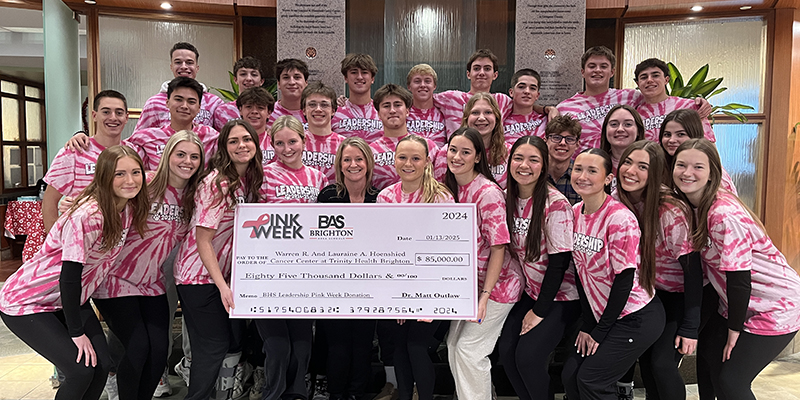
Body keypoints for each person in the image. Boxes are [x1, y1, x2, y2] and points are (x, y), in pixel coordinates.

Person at [0, 145, 149, 400]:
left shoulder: (128, 208)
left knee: (101, 366)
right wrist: (76, 332)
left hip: (68, 299)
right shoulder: (89, 214)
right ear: (104, 176)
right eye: (119, 174)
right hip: (28, 302)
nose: (130, 180)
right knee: (80, 371)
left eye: (136, 172)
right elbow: (69, 277)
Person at [672, 138, 800, 400]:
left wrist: (734, 330)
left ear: (712, 174)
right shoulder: (692, 207)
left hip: (775, 306)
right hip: (736, 303)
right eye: (681, 165)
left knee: (732, 381)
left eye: (698, 167)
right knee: (709, 360)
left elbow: (739, 279)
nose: (687, 173)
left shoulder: (723, 214)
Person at [91, 131, 204, 400]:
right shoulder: (145, 182)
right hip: (115, 279)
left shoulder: (194, 194)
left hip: (152, 283)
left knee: (158, 354)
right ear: (167, 155)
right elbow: (103, 194)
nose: (187, 161)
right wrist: (71, 202)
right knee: (137, 348)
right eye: (181, 154)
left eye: (194, 156)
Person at [561, 148, 665, 400]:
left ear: (608, 179)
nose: (583, 176)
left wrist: (599, 331)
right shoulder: (574, 213)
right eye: (578, 169)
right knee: (571, 376)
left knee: (592, 380)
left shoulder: (620, 218)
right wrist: (588, 324)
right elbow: (582, 274)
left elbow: (624, 281)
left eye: (592, 171)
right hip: (601, 314)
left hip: (634, 317)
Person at [173, 119, 265, 400]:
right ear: (224, 148)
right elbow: (203, 240)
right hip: (197, 276)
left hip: (222, 275)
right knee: (213, 345)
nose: (241, 146)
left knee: (223, 345)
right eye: (233, 141)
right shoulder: (217, 182)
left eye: (246, 140)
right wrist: (223, 286)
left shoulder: (249, 179)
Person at [616, 140, 702, 400]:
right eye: (628, 162)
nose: (631, 171)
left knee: (662, 364)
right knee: (647, 361)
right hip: (649, 294)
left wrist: (690, 327)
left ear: (654, 173)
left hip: (680, 294)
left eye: (643, 166)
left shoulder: (669, 210)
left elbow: (693, 271)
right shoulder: (617, 197)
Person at [498, 136, 580, 400]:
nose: (524, 165)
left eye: (533, 160)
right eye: (519, 158)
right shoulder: (505, 197)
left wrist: (538, 311)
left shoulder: (555, 204)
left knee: (528, 358)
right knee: (507, 352)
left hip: (561, 297)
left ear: (544, 166)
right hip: (531, 291)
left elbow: (559, 264)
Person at [443, 127, 520, 400]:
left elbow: (499, 246)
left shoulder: (487, 193)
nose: (457, 157)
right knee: (453, 345)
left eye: (465, 152)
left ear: (478, 157)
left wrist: (485, 297)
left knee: (470, 350)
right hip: (467, 286)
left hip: (498, 287)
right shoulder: (447, 187)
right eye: (453, 150)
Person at [376, 135, 454, 400]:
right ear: (394, 160)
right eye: (402, 157)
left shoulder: (441, 196)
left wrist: (427, 299)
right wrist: (399, 297)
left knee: (416, 345)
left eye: (415, 158)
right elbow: (385, 248)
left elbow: (446, 250)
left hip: (433, 288)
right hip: (398, 286)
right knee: (399, 346)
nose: (408, 163)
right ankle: (405, 394)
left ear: (427, 162)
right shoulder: (386, 197)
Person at [256, 115, 326, 400]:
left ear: (304, 141)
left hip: (304, 271)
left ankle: (297, 393)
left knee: (301, 343)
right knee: (277, 345)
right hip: (270, 270)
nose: (287, 149)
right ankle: (273, 393)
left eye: (292, 141)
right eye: (280, 143)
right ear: (271, 145)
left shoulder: (317, 177)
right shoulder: (263, 174)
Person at [316, 137, 380, 400]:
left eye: (358, 159)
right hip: (335, 285)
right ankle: (337, 394)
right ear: (339, 165)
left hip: (369, 285)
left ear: (368, 163)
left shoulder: (380, 198)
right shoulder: (329, 195)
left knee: (363, 345)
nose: (353, 164)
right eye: (347, 160)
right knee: (338, 346)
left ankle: (356, 393)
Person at [43, 90, 129, 234]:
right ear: (94, 115)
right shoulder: (74, 152)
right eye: (106, 112)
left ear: (126, 118)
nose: (113, 118)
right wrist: (55, 244)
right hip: (81, 241)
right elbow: (49, 202)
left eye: (119, 113)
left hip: (123, 243)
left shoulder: (133, 152)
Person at [135, 42, 223, 130]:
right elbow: (138, 138)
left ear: (197, 67)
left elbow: (225, 138)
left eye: (189, 62)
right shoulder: (154, 103)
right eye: (178, 62)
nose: (184, 66)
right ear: (171, 66)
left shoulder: (214, 103)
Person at [369, 84, 438, 190]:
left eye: (397, 105)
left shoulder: (429, 146)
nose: (392, 110)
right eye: (386, 106)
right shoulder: (370, 151)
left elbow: (439, 183)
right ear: (378, 114)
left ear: (407, 111)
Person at [434, 93, 510, 188]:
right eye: (475, 113)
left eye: (488, 112)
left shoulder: (509, 153)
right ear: (466, 117)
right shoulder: (448, 152)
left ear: (497, 118)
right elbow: (438, 190)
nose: (481, 118)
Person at [433, 49, 516, 134]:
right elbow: (421, 98)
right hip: (457, 146)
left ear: (495, 75)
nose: (481, 73)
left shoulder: (502, 100)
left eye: (487, 69)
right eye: (476, 68)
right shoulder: (451, 99)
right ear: (468, 74)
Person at [633, 58, 715, 142]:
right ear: (638, 84)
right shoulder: (633, 114)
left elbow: (708, 143)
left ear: (666, 80)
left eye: (655, 75)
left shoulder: (688, 107)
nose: (649, 80)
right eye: (644, 77)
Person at [659, 109, 738, 195]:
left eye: (681, 134)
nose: (672, 140)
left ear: (694, 134)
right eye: (667, 134)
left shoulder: (712, 168)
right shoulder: (660, 165)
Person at [331, 53, 383, 142]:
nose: (359, 77)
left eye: (364, 72)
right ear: (346, 78)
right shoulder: (334, 112)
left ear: (372, 79)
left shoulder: (383, 111)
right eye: (354, 72)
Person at [302, 81, 345, 182]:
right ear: (303, 110)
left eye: (324, 105)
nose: (318, 109)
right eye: (312, 104)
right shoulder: (294, 141)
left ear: (333, 110)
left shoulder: (345, 145)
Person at [213, 56, 266, 130]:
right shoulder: (222, 112)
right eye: (243, 74)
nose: (248, 79)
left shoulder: (269, 111)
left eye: (254, 74)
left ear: (262, 81)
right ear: (235, 80)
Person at [405, 64, 447, 148]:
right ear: (409, 86)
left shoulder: (445, 112)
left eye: (427, 81)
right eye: (417, 81)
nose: (423, 85)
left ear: (434, 86)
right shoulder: (402, 113)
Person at [545, 115, 582, 205]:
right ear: (545, 141)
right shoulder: (535, 173)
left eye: (570, 139)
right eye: (556, 137)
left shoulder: (582, 177)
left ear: (577, 145)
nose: (562, 143)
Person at [503, 69, 548, 144]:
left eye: (532, 88)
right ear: (511, 92)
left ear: (537, 95)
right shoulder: (501, 120)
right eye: (521, 87)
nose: (527, 91)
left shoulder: (546, 120)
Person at [599, 104, 645, 174]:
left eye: (628, 124)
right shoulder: (596, 163)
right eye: (614, 124)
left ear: (638, 130)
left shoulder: (650, 163)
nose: (620, 129)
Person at [268, 58, 309, 131]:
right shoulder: (268, 113)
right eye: (286, 77)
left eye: (297, 77)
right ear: (279, 84)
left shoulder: (316, 112)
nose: (292, 82)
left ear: (306, 83)